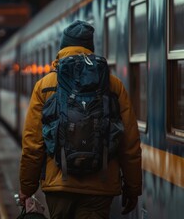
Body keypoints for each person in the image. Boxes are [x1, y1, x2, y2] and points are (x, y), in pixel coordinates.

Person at [19, 20, 142, 219]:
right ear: (90, 49)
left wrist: (27, 187)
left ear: (62, 48)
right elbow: (129, 144)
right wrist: (132, 187)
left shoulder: (45, 85)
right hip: (100, 186)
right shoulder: (114, 85)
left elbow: (33, 144)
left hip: (59, 185)